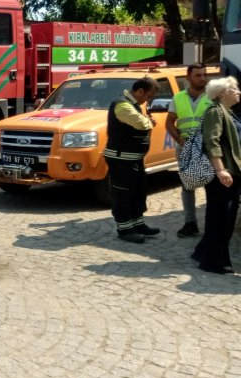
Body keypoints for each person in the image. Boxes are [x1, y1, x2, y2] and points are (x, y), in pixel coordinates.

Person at [191, 77, 241, 274]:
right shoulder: (215, 111)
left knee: (224, 217)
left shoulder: (229, 112)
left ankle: (202, 251)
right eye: (234, 88)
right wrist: (220, 170)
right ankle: (212, 262)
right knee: (221, 218)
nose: (238, 91)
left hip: (232, 171)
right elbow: (212, 142)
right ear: (221, 93)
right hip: (223, 173)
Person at [102, 77, 160, 243]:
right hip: (121, 159)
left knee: (138, 193)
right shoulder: (122, 104)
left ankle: (138, 224)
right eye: (148, 96)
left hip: (133, 159)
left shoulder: (132, 104)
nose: (147, 100)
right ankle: (125, 230)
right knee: (123, 194)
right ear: (139, 91)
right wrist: (149, 122)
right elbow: (139, 122)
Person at [165, 63, 210, 238]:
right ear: (188, 77)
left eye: (204, 75)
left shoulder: (213, 96)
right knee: (187, 186)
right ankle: (190, 223)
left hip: (207, 149)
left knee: (211, 186)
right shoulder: (178, 98)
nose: (202, 78)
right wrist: (180, 140)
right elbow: (169, 122)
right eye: (198, 75)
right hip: (185, 149)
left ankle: (212, 224)